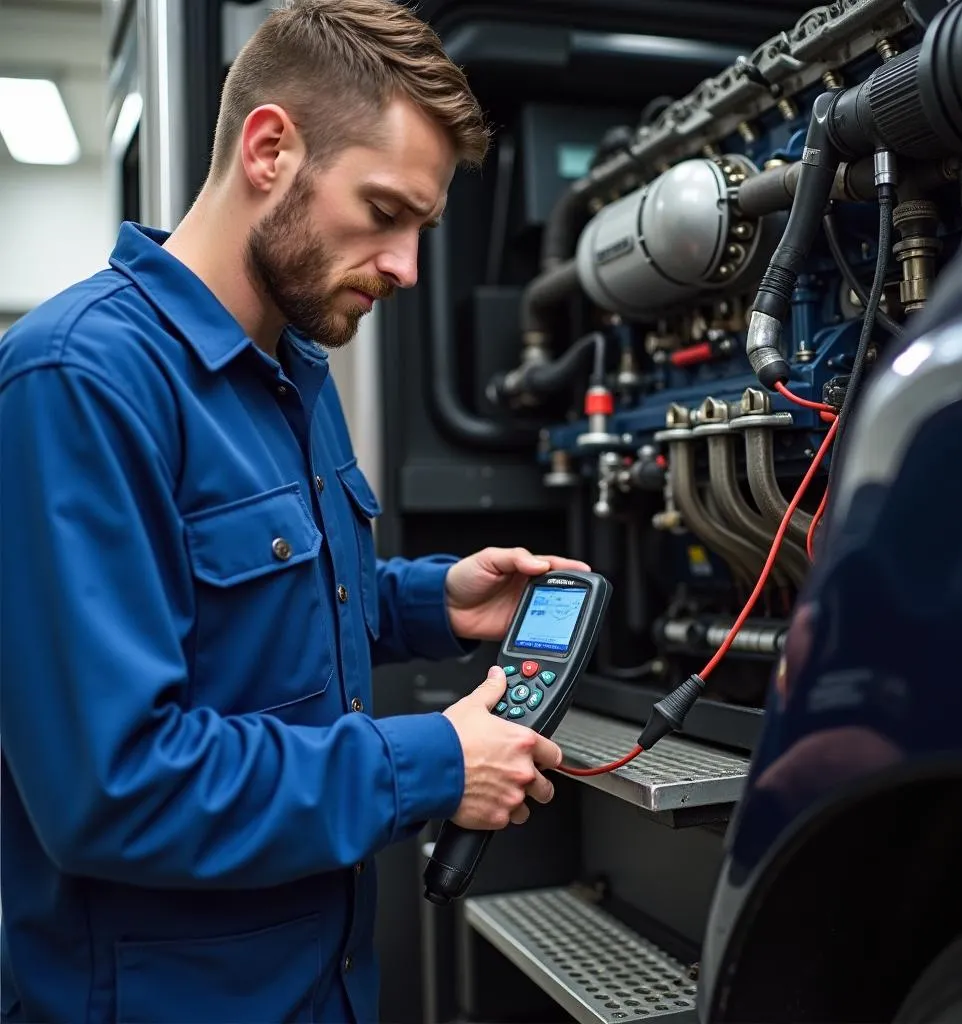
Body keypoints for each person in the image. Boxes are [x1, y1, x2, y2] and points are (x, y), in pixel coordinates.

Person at [0, 1, 588, 1020]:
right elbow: (116, 787)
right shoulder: (78, 380)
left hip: (323, 986)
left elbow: (249, 606)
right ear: (270, 148)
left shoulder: (293, 371)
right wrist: (436, 761)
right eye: (384, 211)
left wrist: (426, 601)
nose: (406, 266)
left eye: (422, 228)